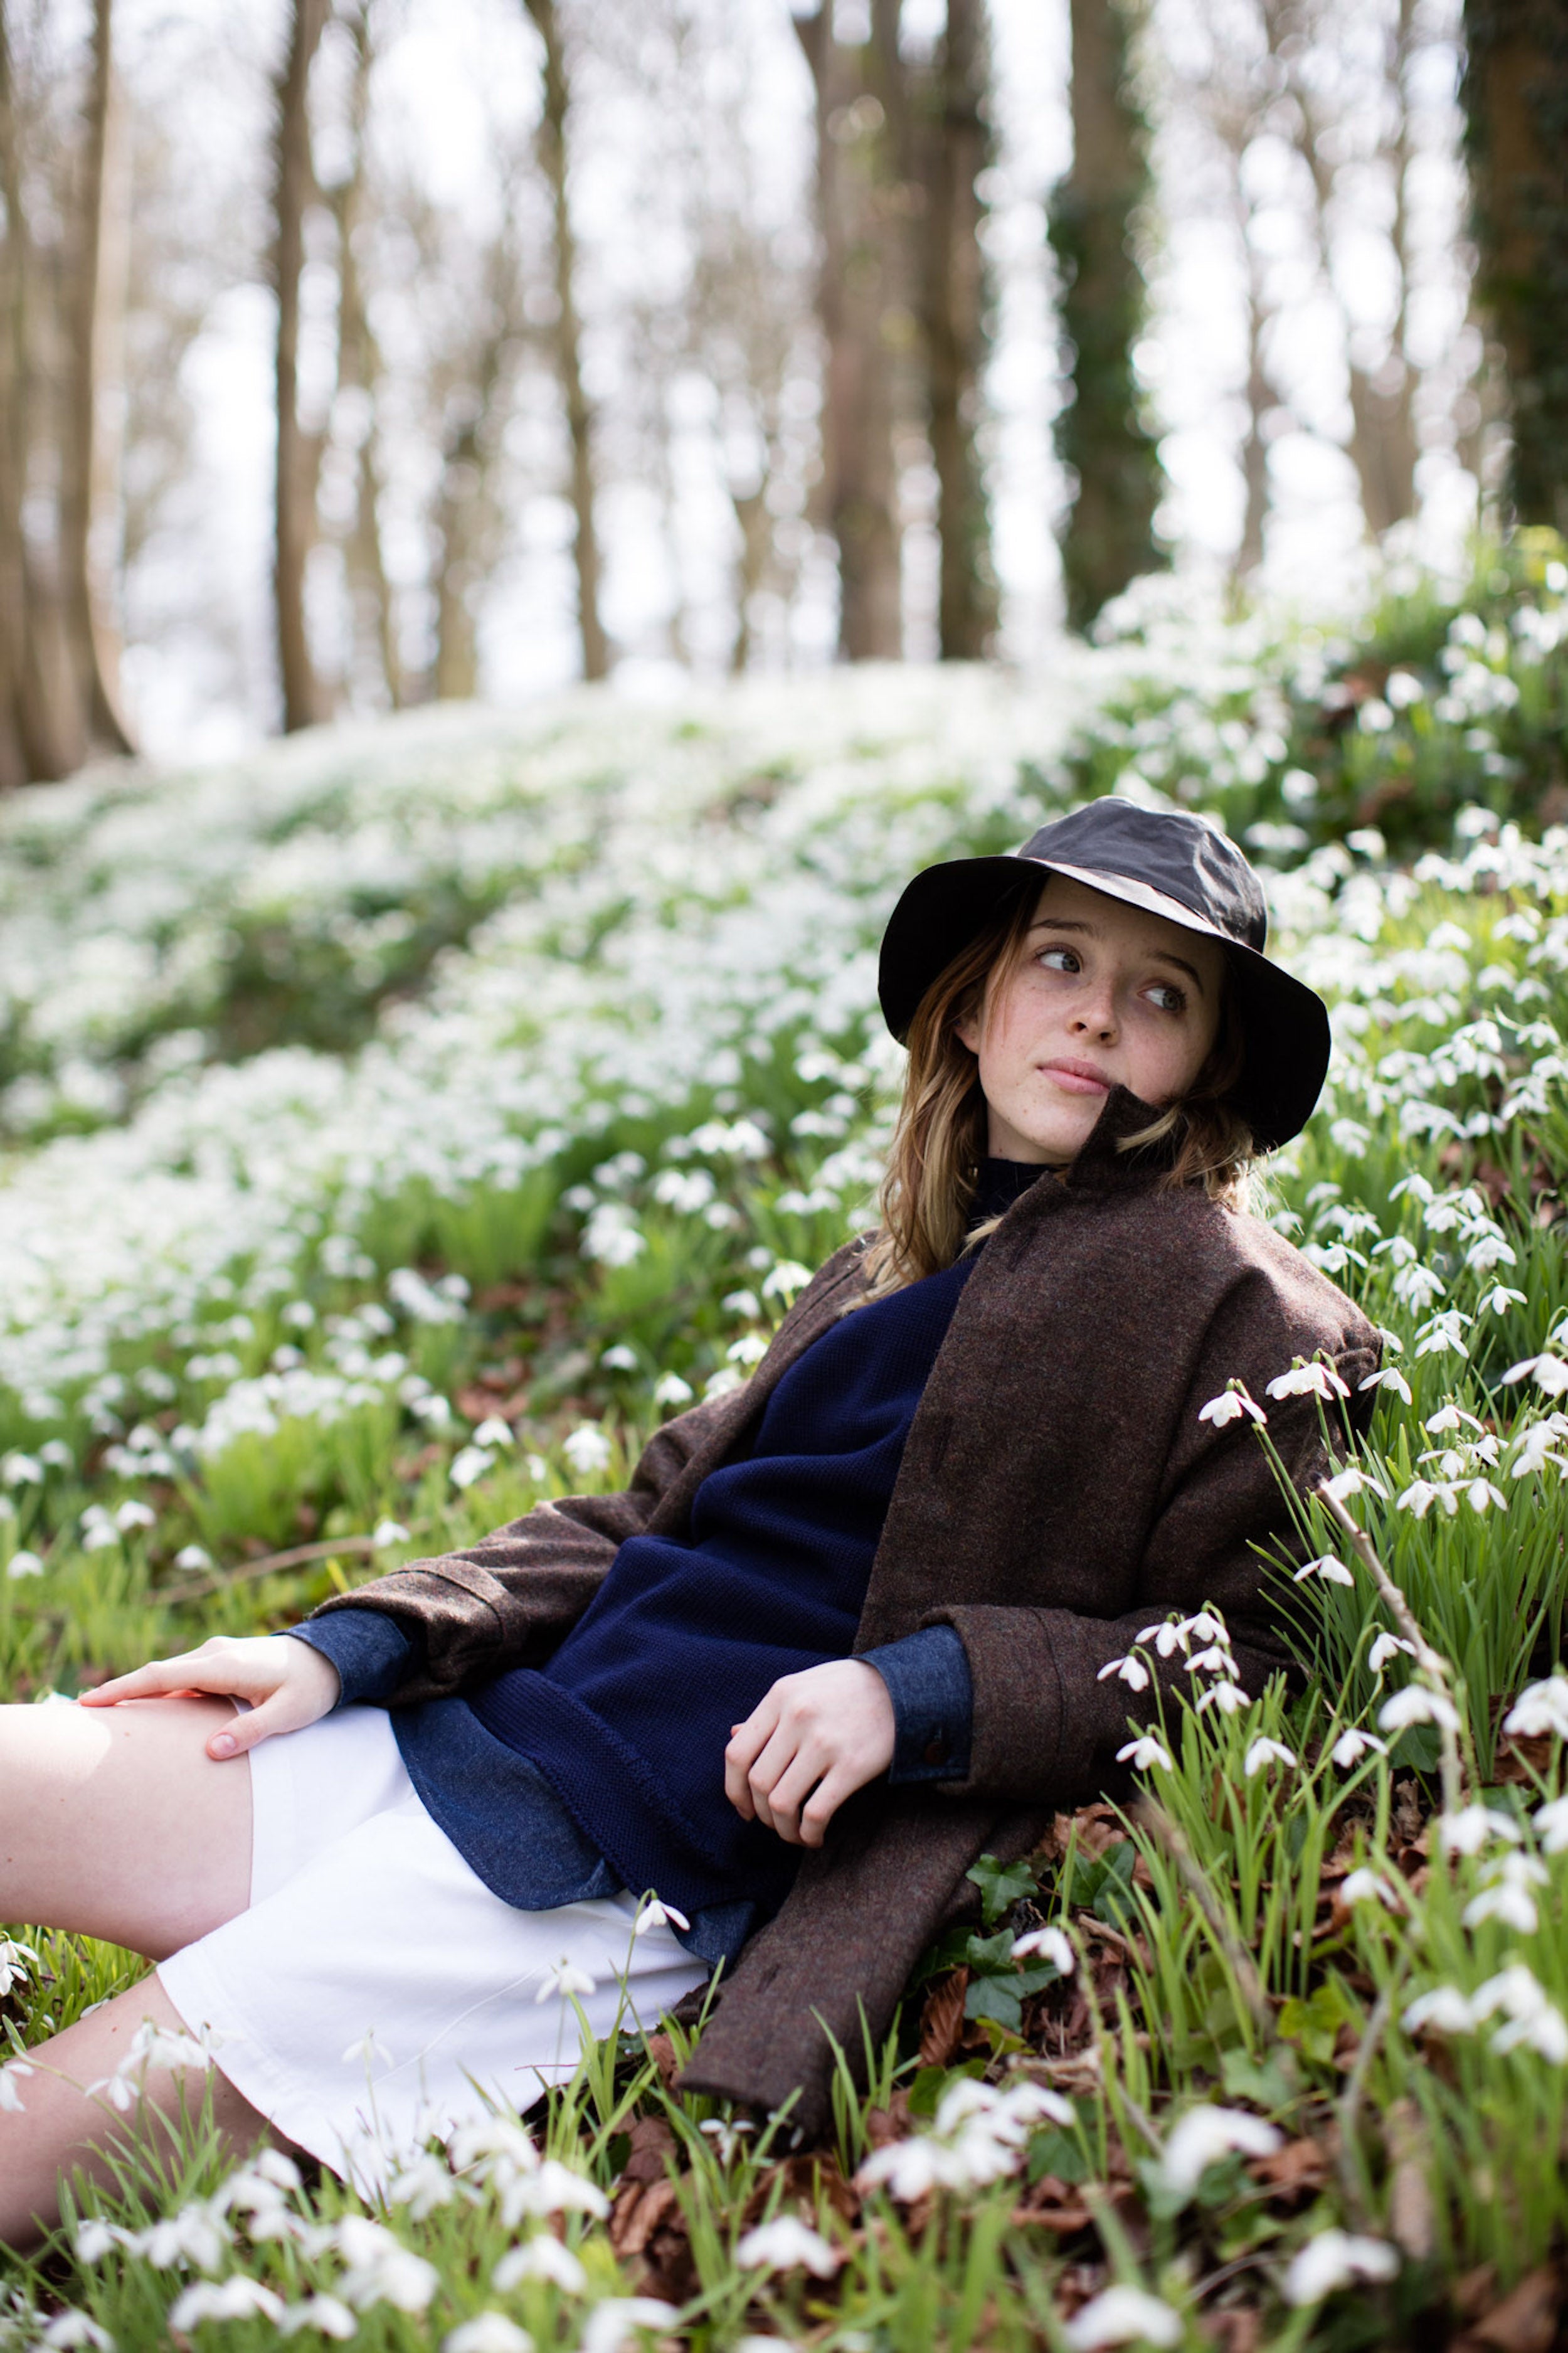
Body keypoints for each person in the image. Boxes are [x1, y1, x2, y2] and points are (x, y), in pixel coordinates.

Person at [0, 800, 1379, 2246]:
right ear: (971, 1005)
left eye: (1158, 993)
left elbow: (1241, 1652)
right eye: (1059, 961)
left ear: (1208, 1057)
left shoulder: (1239, 1307)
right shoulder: (881, 1268)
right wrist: (351, 1645)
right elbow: (640, 1519)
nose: (1094, 1017)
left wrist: (914, 1690)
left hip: (603, 1884)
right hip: (469, 1742)